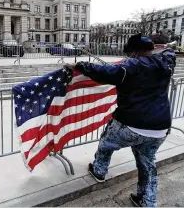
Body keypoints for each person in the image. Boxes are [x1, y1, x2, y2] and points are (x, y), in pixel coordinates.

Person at [65, 33, 176, 207]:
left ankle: (99, 170)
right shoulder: (167, 62)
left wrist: (79, 65)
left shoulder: (131, 66)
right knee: (147, 164)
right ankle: (147, 201)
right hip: (160, 128)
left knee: (106, 143)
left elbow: (104, 72)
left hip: (131, 124)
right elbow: (170, 52)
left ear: (133, 52)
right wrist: (166, 47)